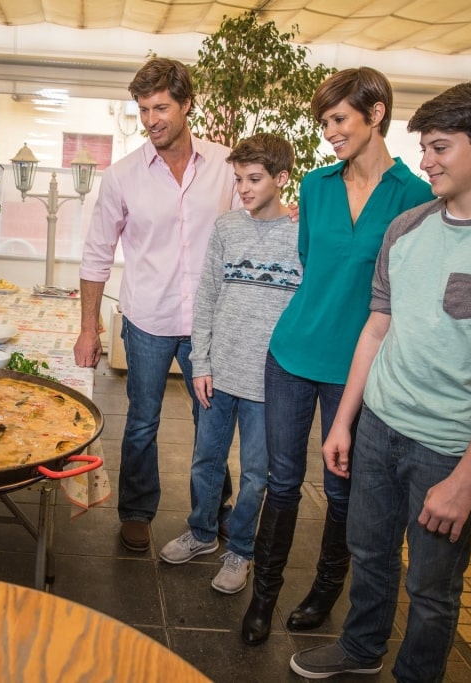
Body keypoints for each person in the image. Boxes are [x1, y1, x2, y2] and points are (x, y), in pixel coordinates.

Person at [290, 81, 471, 681]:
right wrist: (344, 423)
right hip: (380, 426)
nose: (426, 161)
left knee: (433, 586)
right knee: (369, 554)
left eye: (440, 147)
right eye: (425, 147)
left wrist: (466, 482)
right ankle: (362, 650)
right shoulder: (408, 227)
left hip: (448, 447)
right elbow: (375, 329)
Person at [241, 67, 435, 645]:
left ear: (375, 115)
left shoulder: (417, 197)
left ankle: (325, 591)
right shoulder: (318, 185)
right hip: (293, 352)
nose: (329, 132)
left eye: (338, 119)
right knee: (281, 481)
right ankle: (263, 598)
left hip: (362, 369)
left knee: (342, 487)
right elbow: (312, 266)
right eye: (324, 121)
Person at [74, 57, 237, 552]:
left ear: (187, 104)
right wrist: (89, 329)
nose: (151, 120)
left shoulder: (227, 166)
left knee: (212, 423)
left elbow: (252, 226)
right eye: (143, 110)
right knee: (142, 421)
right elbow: (96, 253)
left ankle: (212, 510)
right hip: (147, 320)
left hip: (209, 324)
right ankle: (137, 511)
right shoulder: (122, 176)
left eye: (161, 107)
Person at [158, 133, 300, 596]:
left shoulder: (304, 233)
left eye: (254, 179)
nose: (243, 187)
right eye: (238, 178)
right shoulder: (226, 228)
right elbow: (206, 299)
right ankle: (201, 533)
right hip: (217, 373)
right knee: (205, 461)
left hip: (271, 383)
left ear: (281, 179)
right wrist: (201, 362)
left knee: (258, 474)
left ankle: (240, 548)